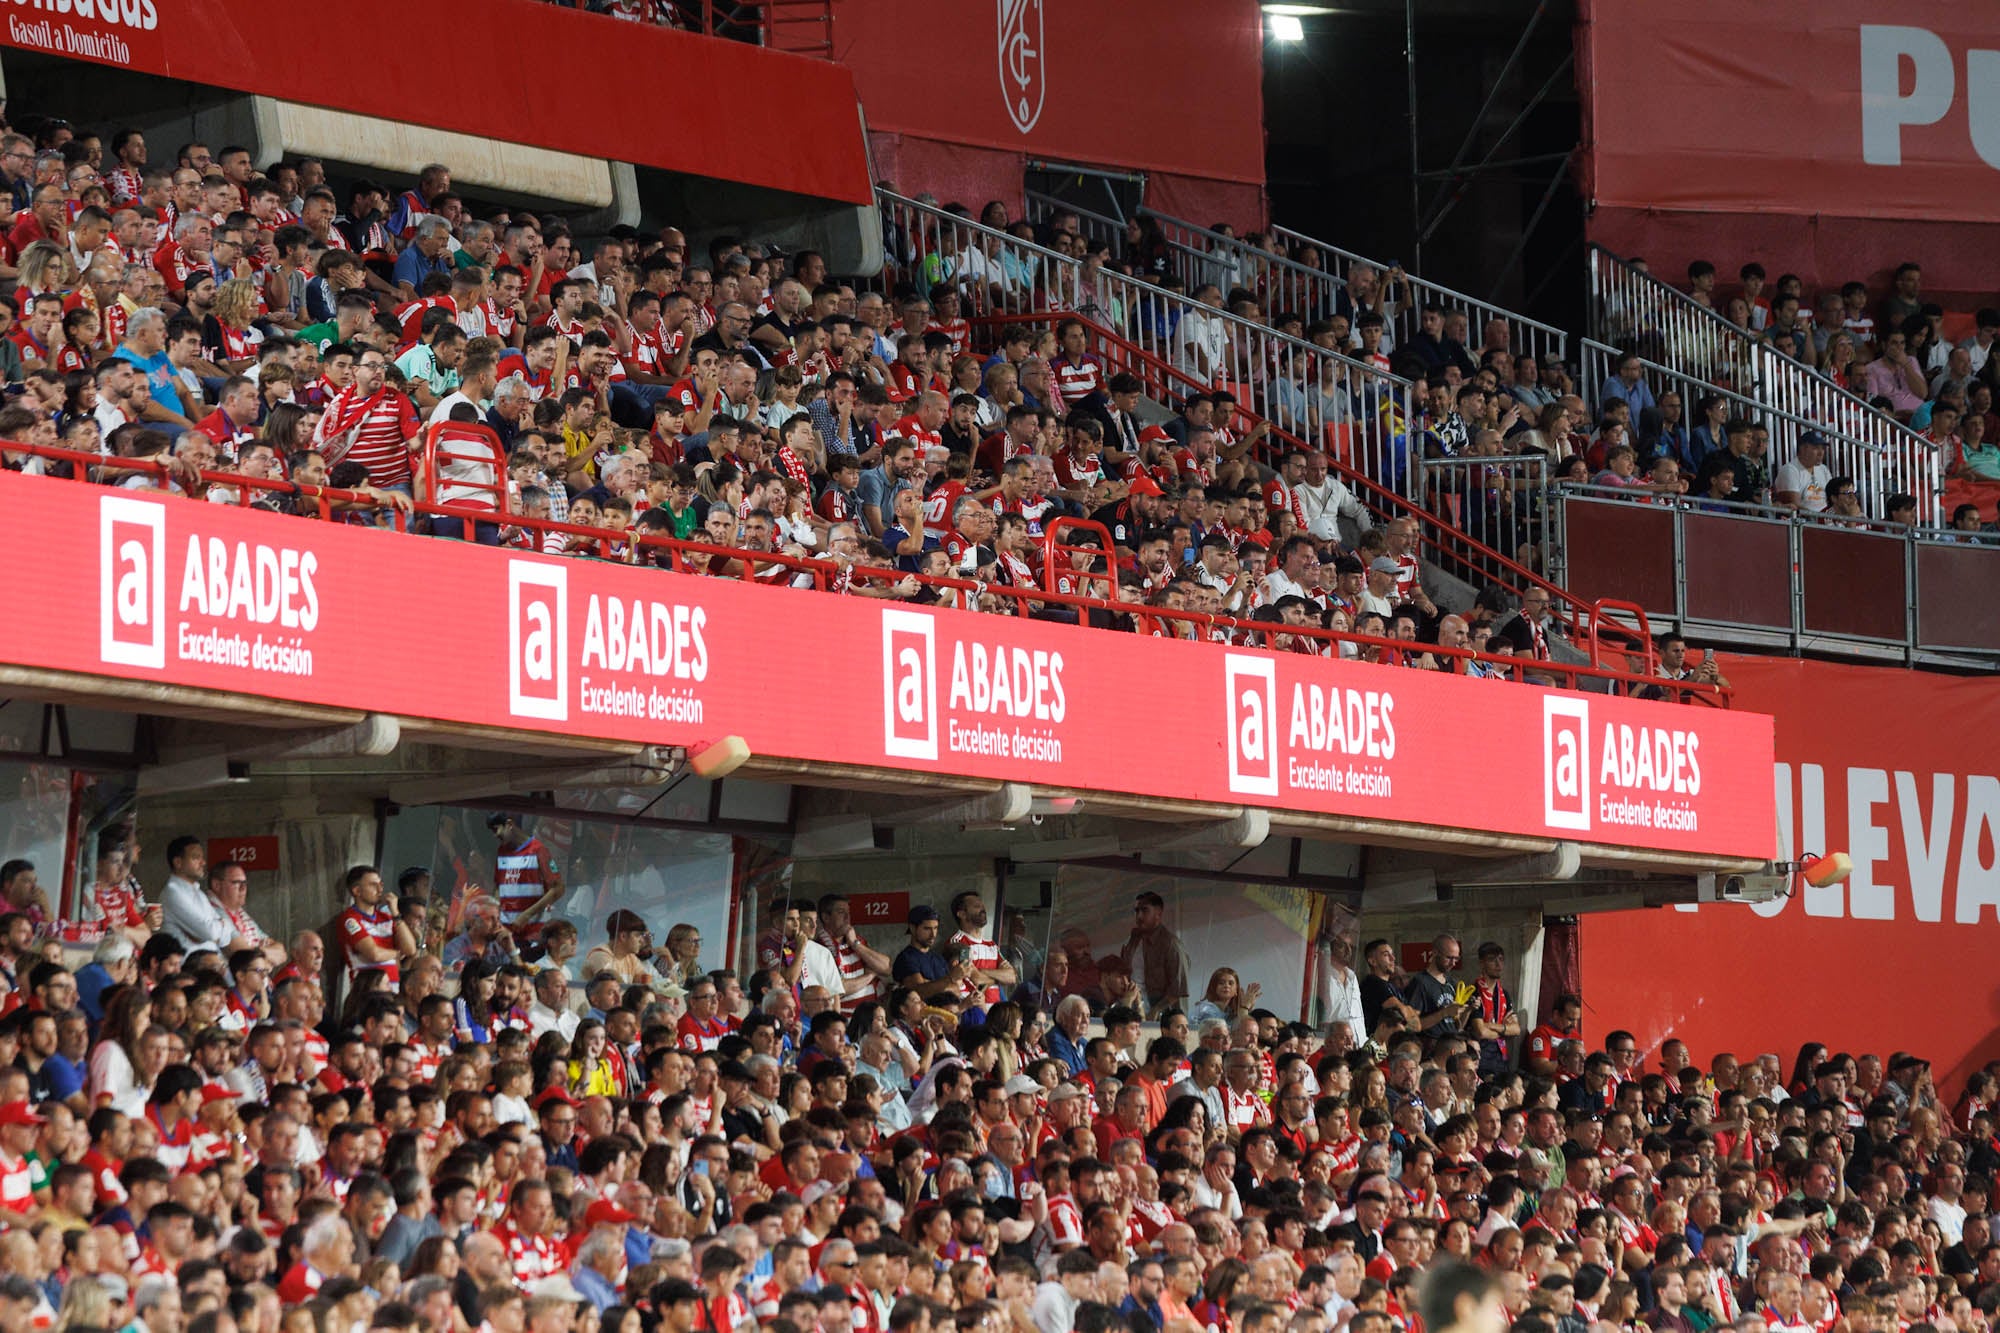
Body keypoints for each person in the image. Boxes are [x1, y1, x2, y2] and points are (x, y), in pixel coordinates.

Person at [1116, 892, 1189, 1015]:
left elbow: (1178, 989)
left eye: (1145, 910)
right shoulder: (1131, 941)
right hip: (1134, 1007)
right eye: (1136, 910)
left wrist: (1156, 1010)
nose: (1139, 916)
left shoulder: (1171, 944)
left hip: (1164, 1013)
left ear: (1158, 913)